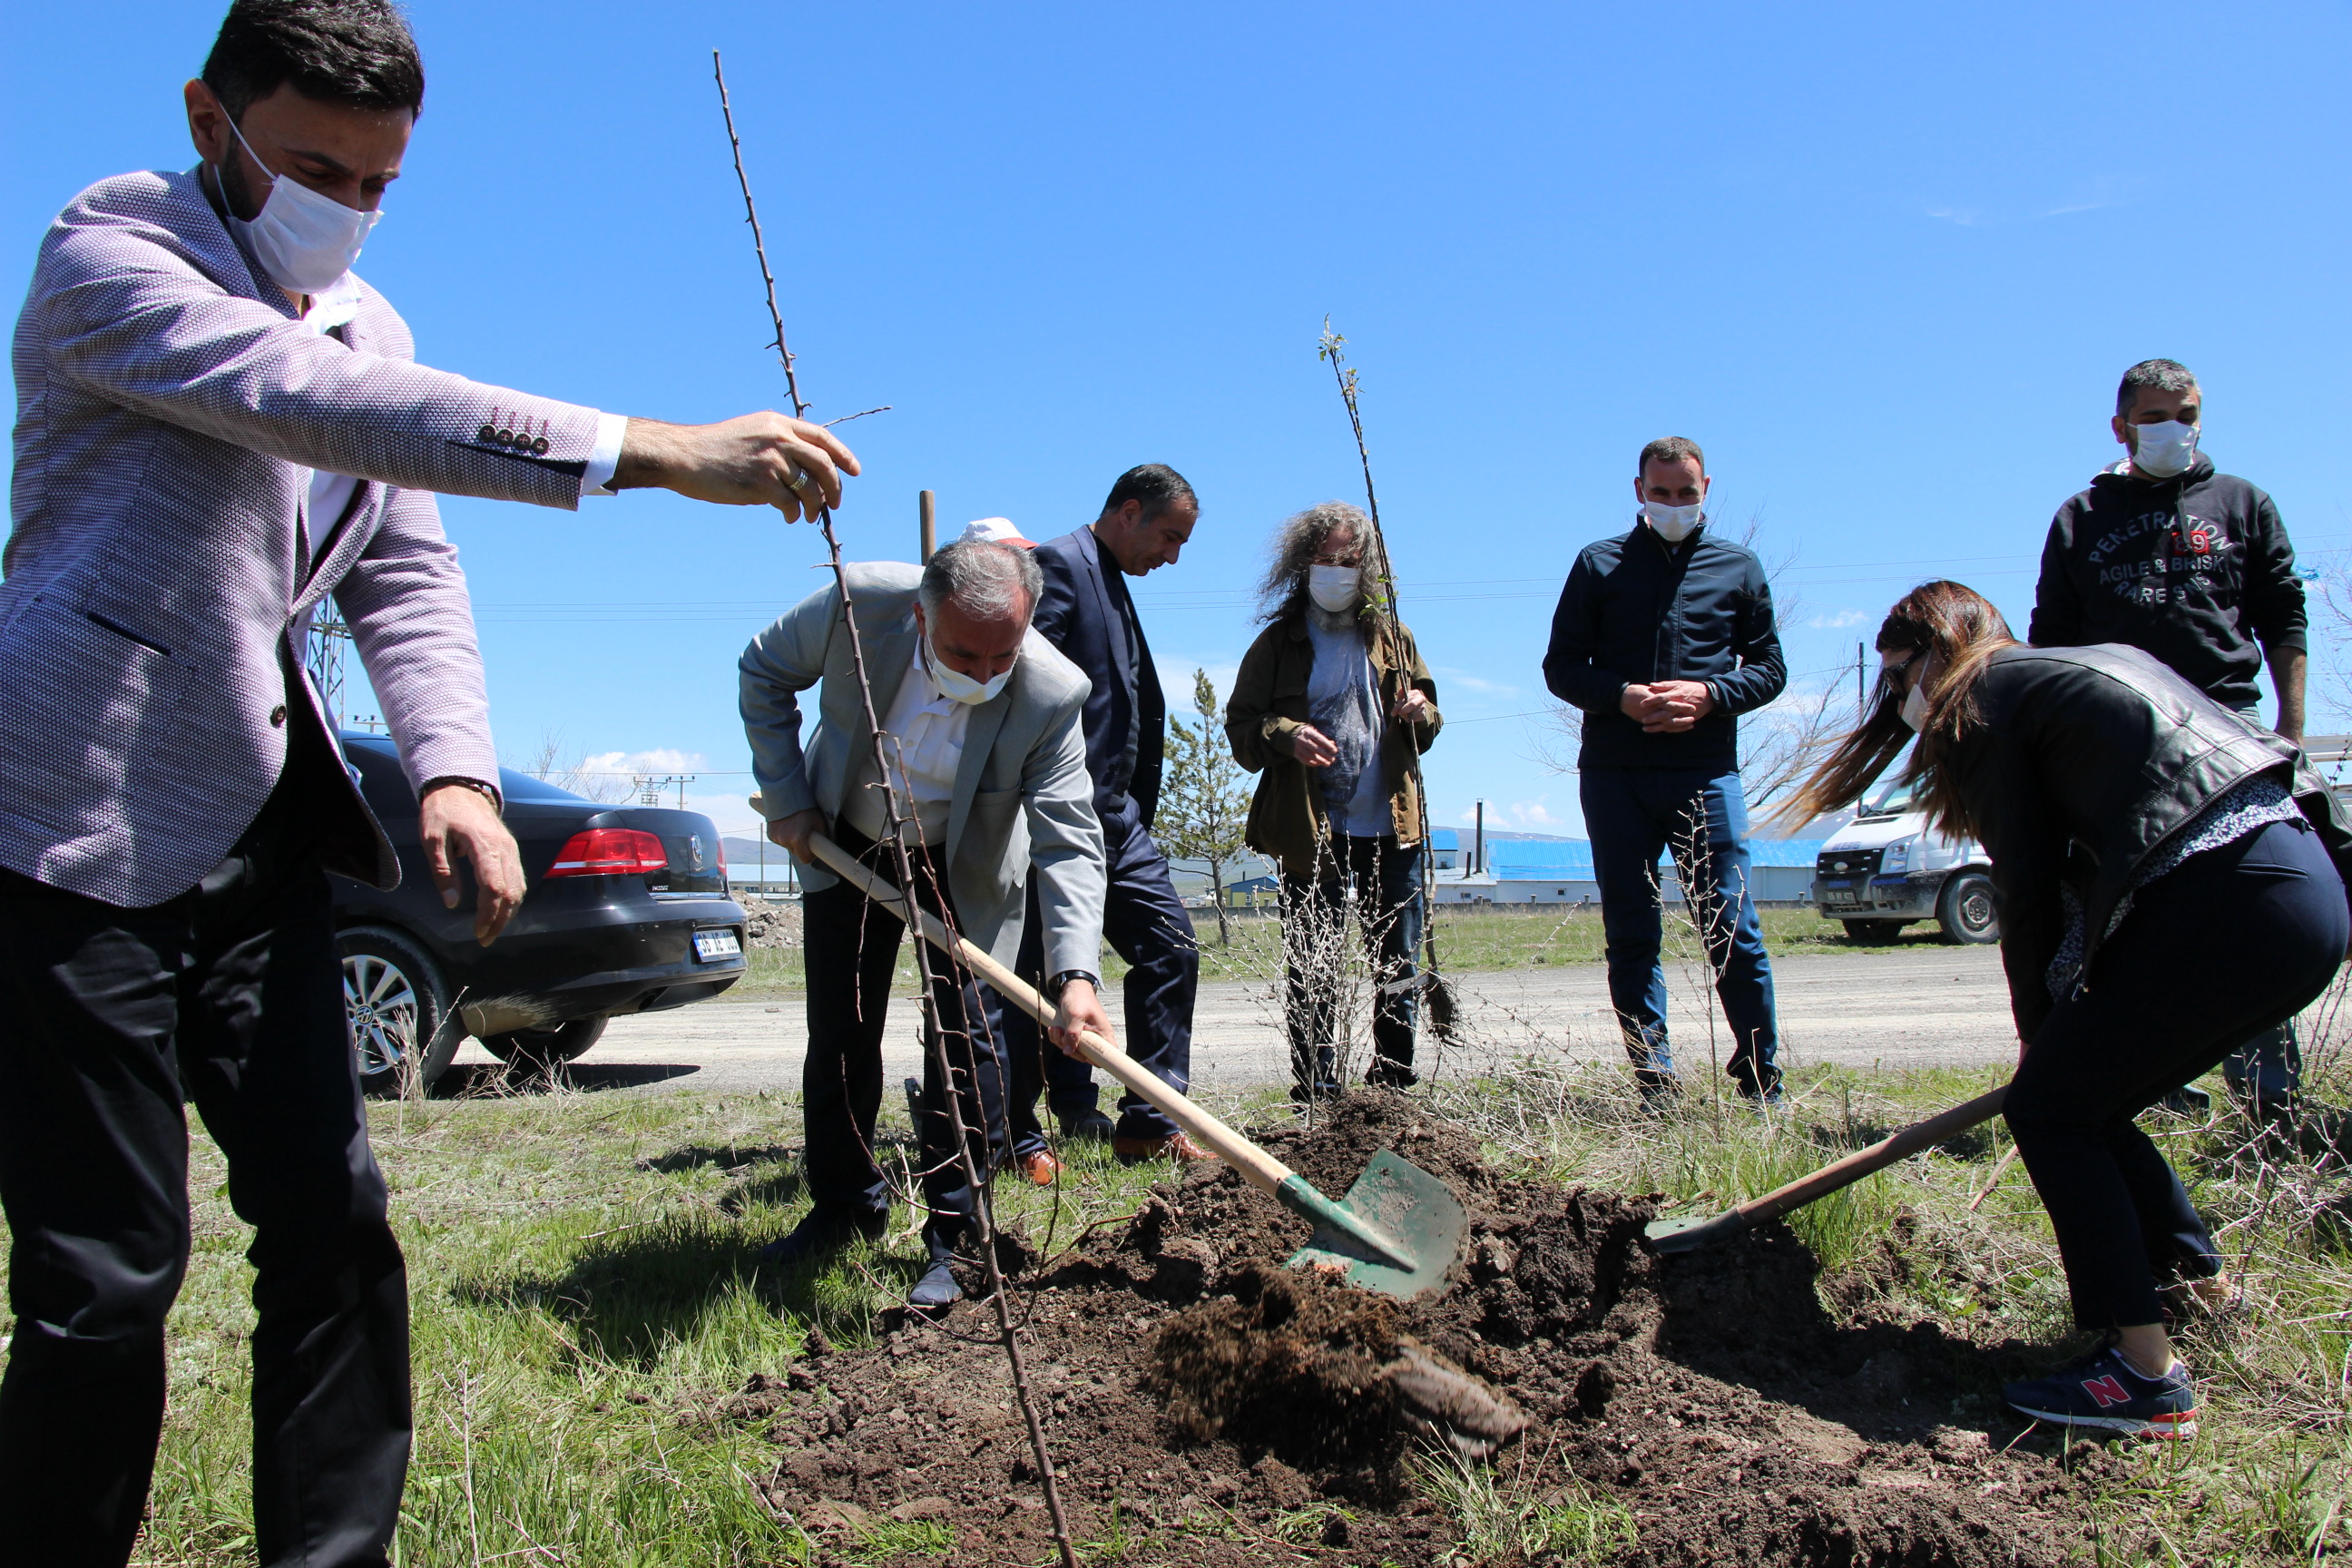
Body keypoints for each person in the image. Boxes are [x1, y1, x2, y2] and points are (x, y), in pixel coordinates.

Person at [0, 4, 861, 1563]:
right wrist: (646, 447)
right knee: (107, 1273)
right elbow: (308, 408)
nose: (349, 204)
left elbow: (402, 563)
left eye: (380, 180)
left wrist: (457, 769)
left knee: (334, 1226)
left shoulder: (369, 324)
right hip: (63, 825)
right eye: (314, 164)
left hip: (251, 825)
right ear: (211, 120)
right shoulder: (110, 260)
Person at [1785, 581, 2350, 1438]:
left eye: (1896, 675)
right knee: (2092, 1101)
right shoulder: (2078, 669)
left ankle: (2142, 1378)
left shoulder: (1981, 697)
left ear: (1939, 650)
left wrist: (2037, 1042)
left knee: (2053, 1109)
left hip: (2231, 901)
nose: (1896, 699)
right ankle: (2201, 1291)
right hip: (2306, 896)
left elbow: (2029, 887)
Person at [741, 538, 1113, 1309]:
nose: (982, 676)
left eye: (1000, 656)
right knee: (841, 1028)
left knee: (969, 1039)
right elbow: (763, 671)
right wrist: (787, 796)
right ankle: (846, 1204)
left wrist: (1075, 974)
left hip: (961, 861)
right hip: (845, 830)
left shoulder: (1051, 692)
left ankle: (960, 1237)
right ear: (920, 614)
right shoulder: (858, 608)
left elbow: (1070, 838)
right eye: (959, 653)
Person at [2030, 359, 2312, 1117]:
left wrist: (2289, 730)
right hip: (2119, 745)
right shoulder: (2081, 517)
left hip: (2232, 737)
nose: (2171, 429)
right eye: (2153, 418)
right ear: (2121, 428)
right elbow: (2051, 643)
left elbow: (2283, 615)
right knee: (2131, 917)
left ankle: (2268, 1099)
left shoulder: (2243, 504)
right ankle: (2154, 1089)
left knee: (2250, 910)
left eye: (2184, 413)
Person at [1542, 437, 1788, 1105]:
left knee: (1733, 928)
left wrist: (1710, 697)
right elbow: (1561, 667)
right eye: (1662, 492)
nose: (1674, 503)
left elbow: (1770, 669)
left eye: (1687, 493)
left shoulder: (1739, 567)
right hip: (1616, 775)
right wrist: (1620, 695)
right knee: (1632, 934)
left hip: (1705, 773)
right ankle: (1656, 1083)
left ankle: (1764, 1082)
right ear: (1639, 490)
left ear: (1707, 487)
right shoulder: (1598, 565)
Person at [1002, 465, 1208, 1171]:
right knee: (1033, 977)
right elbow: (1020, 686)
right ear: (1128, 511)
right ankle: (1013, 1137)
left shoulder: (1114, 579)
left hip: (1117, 822)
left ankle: (1148, 1122)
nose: (1172, 556)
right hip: (1055, 817)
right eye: (1170, 537)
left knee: (1170, 947)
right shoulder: (1057, 565)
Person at [1226, 502, 1442, 1098]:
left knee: (1398, 967)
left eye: (1348, 560)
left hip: (1391, 831)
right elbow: (1242, 731)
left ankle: (1393, 1089)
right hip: (1310, 834)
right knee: (1314, 969)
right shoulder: (1277, 644)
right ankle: (1317, 1095)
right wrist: (1285, 735)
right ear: (1302, 565)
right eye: (1325, 560)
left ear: (1365, 566)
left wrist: (1420, 711)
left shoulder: (1393, 637)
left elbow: (1428, 726)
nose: (1337, 571)